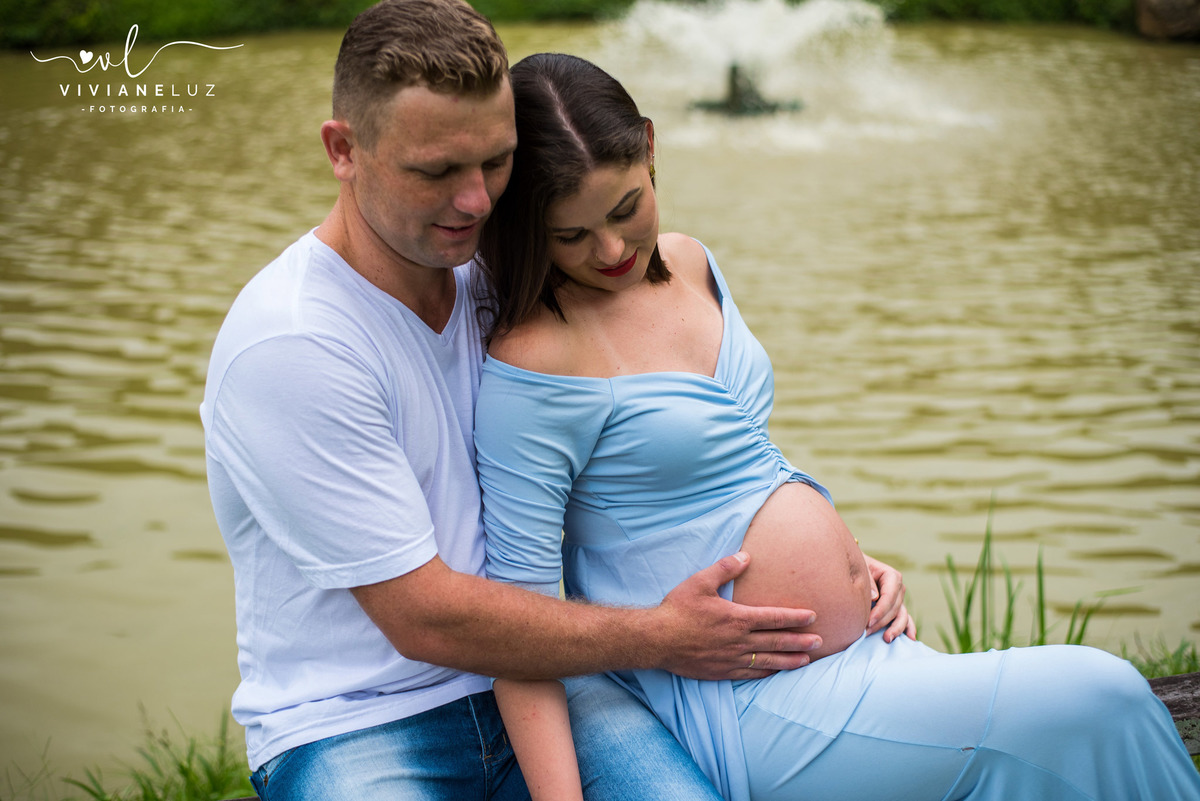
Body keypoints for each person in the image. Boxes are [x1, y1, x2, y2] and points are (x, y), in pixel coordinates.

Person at [199, 2, 920, 798]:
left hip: (558, 681)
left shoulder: (509, 286)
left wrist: (826, 557)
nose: (476, 201)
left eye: (496, 163)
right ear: (344, 149)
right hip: (356, 721)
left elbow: (661, 449)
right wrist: (659, 636)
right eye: (437, 171)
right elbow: (424, 615)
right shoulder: (295, 344)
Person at [473, 52, 1200, 801]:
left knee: (1059, 750)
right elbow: (519, 632)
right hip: (749, 699)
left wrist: (852, 561)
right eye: (572, 235)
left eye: (626, 208)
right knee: (1099, 692)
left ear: (651, 147)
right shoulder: (537, 363)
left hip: (864, 653)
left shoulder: (691, 263)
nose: (613, 250)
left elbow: (737, 462)